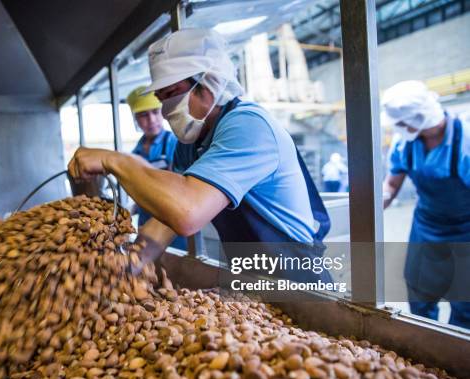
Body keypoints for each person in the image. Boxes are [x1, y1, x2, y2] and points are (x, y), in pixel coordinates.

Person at [69, 28, 332, 285]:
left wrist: (114, 161)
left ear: (208, 85)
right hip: (253, 276)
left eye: (171, 94)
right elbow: (166, 221)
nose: (163, 111)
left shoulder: (248, 126)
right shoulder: (192, 142)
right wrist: (121, 270)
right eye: (161, 98)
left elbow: (187, 214)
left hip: (299, 279)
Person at [382, 80, 470, 329]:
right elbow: (391, 184)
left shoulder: (465, 143)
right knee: (419, 292)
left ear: (417, 119)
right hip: (426, 225)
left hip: (465, 230)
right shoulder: (405, 144)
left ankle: (454, 355)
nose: (398, 128)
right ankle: (424, 345)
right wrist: (375, 204)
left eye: (400, 123)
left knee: (465, 304)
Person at [126, 86, 186, 250]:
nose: (151, 120)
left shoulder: (175, 143)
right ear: (136, 119)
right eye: (144, 115)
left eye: (155, 112)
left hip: (174, 226)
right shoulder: (134, 154)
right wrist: (130, 211)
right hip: (146, 225)